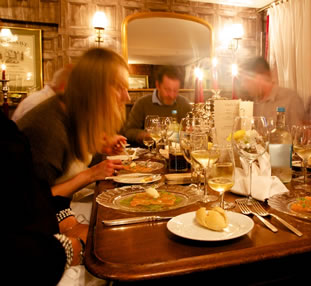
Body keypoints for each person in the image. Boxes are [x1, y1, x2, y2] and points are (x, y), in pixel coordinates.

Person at [17, 48, 129, 199]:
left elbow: (74, 160)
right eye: (118, 87)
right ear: (94, 88)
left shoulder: (75, 113)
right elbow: (32, 202)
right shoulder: (48, 129)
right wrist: (91, 175)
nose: (127, 98)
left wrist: (100, 146)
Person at [3, 111, 85, 285]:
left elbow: (29, 189)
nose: (127, 96)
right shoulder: (48, 122)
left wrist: (63, 215)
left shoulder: (68, 115)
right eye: (118, 88)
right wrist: (68, 249)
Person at [122, 65, 192, 144]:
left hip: (176, 153)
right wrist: (146, 136)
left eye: (175, 90)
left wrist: (190, 131)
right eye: (167, 90)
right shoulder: (142, 103)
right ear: (158, 85)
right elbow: (129, 131)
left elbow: (191, 128)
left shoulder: (184, 104)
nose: (171, 95)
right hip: (150, 152)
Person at [238, 57, 305, 127]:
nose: (243, 85)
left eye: (245, 80)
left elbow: (298, 133)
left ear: (259, 78)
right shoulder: (252, 104)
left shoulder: (290, 99)